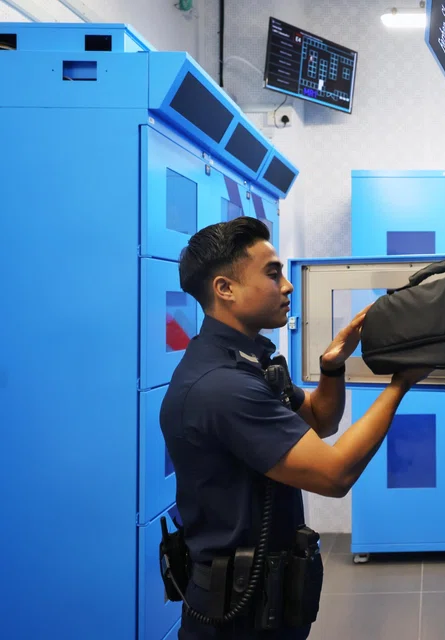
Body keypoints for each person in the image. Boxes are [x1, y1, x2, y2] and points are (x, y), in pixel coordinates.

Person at [159, 217, 430, 639]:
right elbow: (335, 474)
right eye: (273, 274)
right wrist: (401, 384)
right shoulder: (222, 387)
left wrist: (332, 366)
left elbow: (321, 420)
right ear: (225, 289)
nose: (287, 287)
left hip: (264, 601)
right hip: (236, 619)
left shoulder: (248, 363)